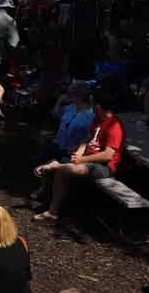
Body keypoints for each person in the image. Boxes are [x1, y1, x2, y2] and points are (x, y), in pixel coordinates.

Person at [32, 88, 124, 222]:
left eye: (93, 104)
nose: (91, 107)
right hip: (88, 160)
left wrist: (82, 159)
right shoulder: (98, 119)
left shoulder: (115, 126)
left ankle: (52, 211)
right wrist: (79, 152)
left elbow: (107, 155)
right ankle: (48, 190)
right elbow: (87, 139)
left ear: (98, 106)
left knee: (64, 169)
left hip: (103, 167)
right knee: (60, 160)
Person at [49, 81, 96, 157]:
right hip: (57, 145)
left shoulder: (91, 115)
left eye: (71, 94)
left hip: (72, 152)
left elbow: (89, 137)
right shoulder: (70, 107)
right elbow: (55, 114)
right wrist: (59, 101)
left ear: (79, 96)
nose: (68, 96)